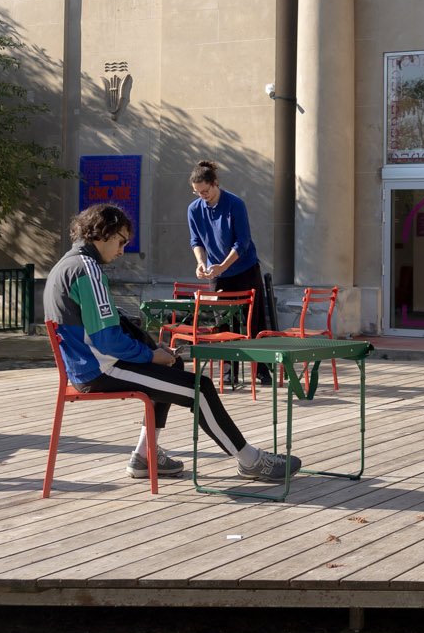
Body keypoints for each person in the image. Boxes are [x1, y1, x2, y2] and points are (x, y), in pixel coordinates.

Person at [45, 202, 299, 482]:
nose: (121, 251)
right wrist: (152, 357)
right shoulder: (87, 270)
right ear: (103, 233)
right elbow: (108, 341)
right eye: (121, 242)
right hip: (101, 369)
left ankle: (144, 456)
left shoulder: (66, 266)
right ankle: (250, 461)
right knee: (199, 389)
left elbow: (109, 327)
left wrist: (154, 349)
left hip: (89, 366)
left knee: (175, 366)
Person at [185, 159, 272, 384]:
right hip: (218, 273)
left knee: (254, 321)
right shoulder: (194, 209)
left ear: (215, 183)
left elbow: (242, 242)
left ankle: (262, 370)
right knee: (222, 323)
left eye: (206, 191)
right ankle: (228, 373)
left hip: (245, 268)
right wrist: (200, 263)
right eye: (197, 193)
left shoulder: (235, 203)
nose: (203, 196)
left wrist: (224, 265)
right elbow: (196, 240)